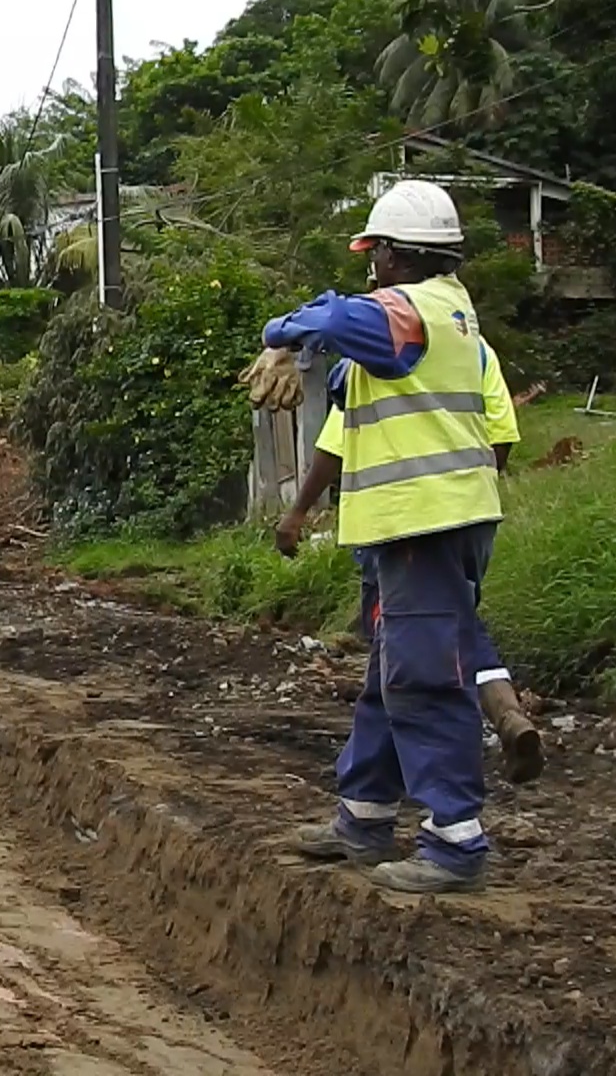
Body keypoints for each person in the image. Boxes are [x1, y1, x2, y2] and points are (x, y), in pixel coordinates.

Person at [240, 179, 501, 895]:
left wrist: (279, 336)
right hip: (419, 523)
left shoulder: (407, 312)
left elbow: (330, 316)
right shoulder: (447, 313)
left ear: (395, 253)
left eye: (375, 252)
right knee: (392, 679)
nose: (371, 266)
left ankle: (455, 843)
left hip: (425, 523)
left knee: (424, 680)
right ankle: (364, 816)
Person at [278, 339, 544, 785]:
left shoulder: (376, 348)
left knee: (398, 648)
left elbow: (334, 446)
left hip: (395, 525)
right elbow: (501, 440)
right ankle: (504, 712)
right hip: (469, 519)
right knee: (453, 621)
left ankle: (426, 800)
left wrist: (298, 511)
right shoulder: (474, 350)